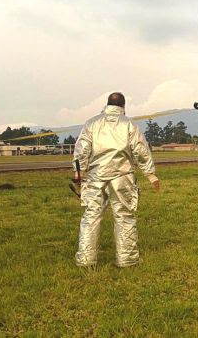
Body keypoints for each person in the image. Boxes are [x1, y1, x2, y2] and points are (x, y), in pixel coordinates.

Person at [73, 92, 160, 268]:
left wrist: (79, 172)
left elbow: (82, 149)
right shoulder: (129, 124)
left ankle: (86, 260)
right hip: (122, 177)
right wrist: (151, 175)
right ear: (123, 106)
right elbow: (140, 150)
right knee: (124, 216)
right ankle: (127, 259)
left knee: (90, 217)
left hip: (95, 177)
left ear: (107, 105)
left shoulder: (91, 123)